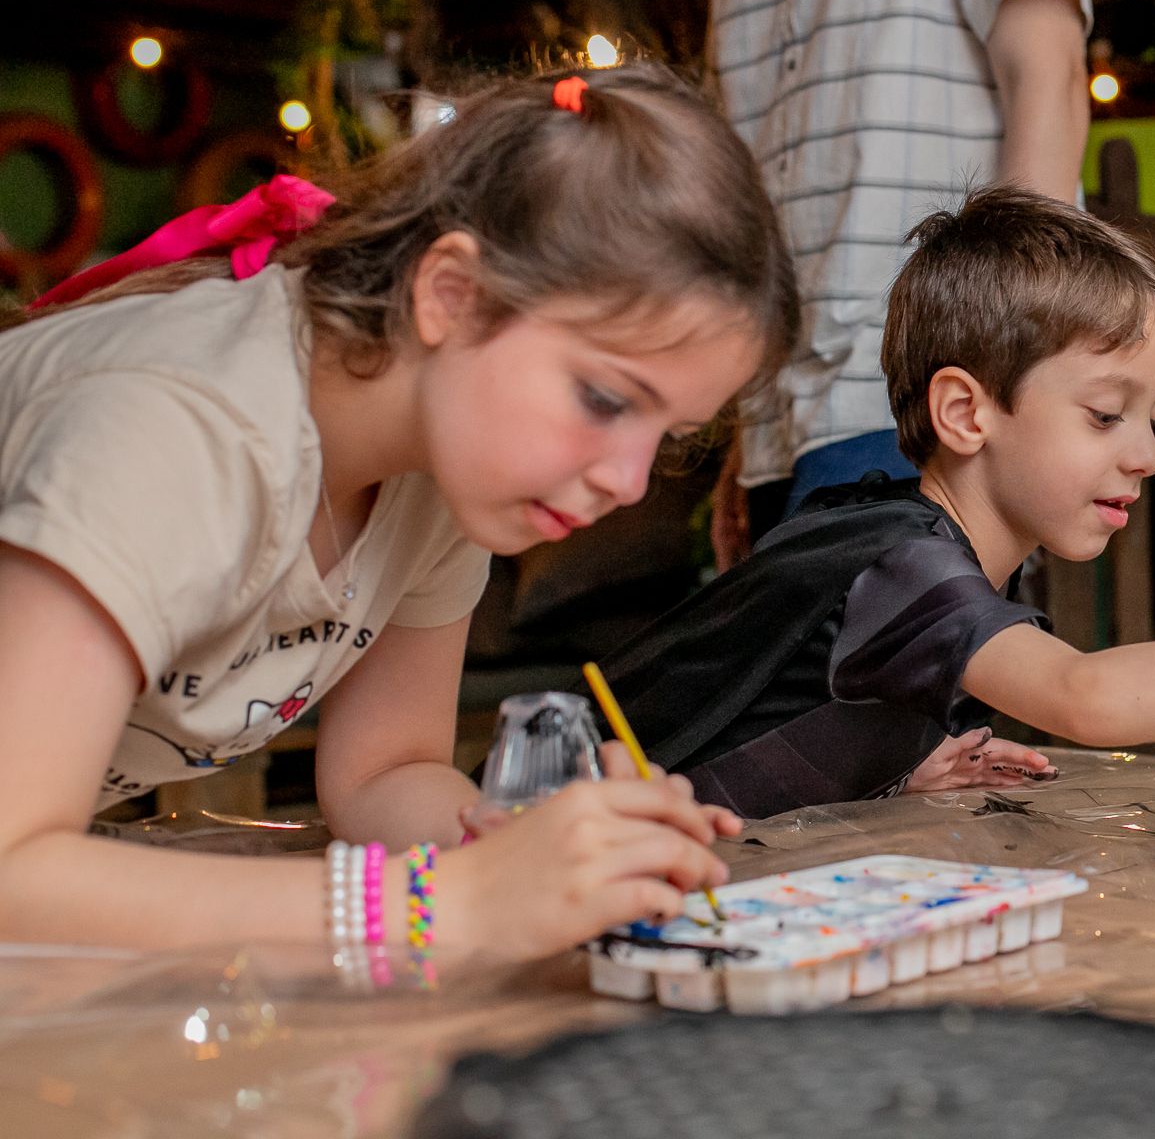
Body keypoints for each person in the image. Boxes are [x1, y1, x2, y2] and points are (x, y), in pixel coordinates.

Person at [0, 66, 798, 971]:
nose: (629, 480)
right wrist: (438, 906)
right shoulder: (176, 430)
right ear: (450, 293)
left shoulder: (443, 471)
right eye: (607, 397)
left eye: (673, 433)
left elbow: (384, 773)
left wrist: (535, 852)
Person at [593, 187, 1155, 818]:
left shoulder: (906, 546)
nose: (1147, 455)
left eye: (1153, 419)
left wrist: (881, 769)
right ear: (966, 412)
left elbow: (760, 738)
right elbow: (1088, 698)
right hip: (525, 849)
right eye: (1106, 414)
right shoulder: (901, 560)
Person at [704, 0, 1094, 562]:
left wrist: (1002, 379)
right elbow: (754, 161)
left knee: (934, 664)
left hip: (928, 392)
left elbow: (1051, 76)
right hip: (779, 419)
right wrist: (744, 432)